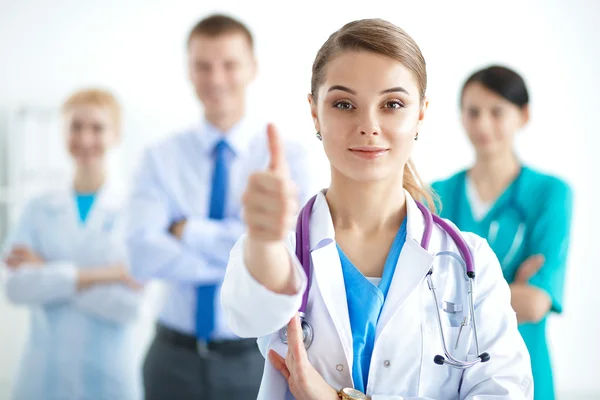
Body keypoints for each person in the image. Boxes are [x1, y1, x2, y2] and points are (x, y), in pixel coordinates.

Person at [221, 18, 534, 400]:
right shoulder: (279, 253)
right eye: (344, 104)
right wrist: (264, 242)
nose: (368, 125)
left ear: (420, 114)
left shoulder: (471, 263)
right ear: (315, 112)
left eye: (392, 104)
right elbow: (248, 313)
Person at [125, 14, 316, 400]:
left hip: (255, 359)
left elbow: (292, 254)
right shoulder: (159, 158)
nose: (216, 79)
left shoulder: (287, 158)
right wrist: (245, 257)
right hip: (171, 357)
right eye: (203, 66)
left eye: (229, 65)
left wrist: (186, 231)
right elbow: (142, 255)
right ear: (189, 71)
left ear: (252, 68)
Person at [431, 65, 573, 400]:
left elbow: (537, 302)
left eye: (497, 112)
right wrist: (512, 291)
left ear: (523, 115)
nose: (483, 124)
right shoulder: (436, 195)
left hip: (527, 374)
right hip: (451, 377)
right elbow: (421, 300)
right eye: (473, 112)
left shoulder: (550, 194)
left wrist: (456, 298)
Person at [2, 88, 143, 400]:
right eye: (75, 126)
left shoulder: (134, 210)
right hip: (42, 377)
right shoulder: (37, 208)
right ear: (62, 132)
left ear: (116, 134)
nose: (85, 138)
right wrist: (107, 274)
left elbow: (128, 306)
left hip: (108, 377)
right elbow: (15, 288)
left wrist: (46, 272)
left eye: (97, 127)